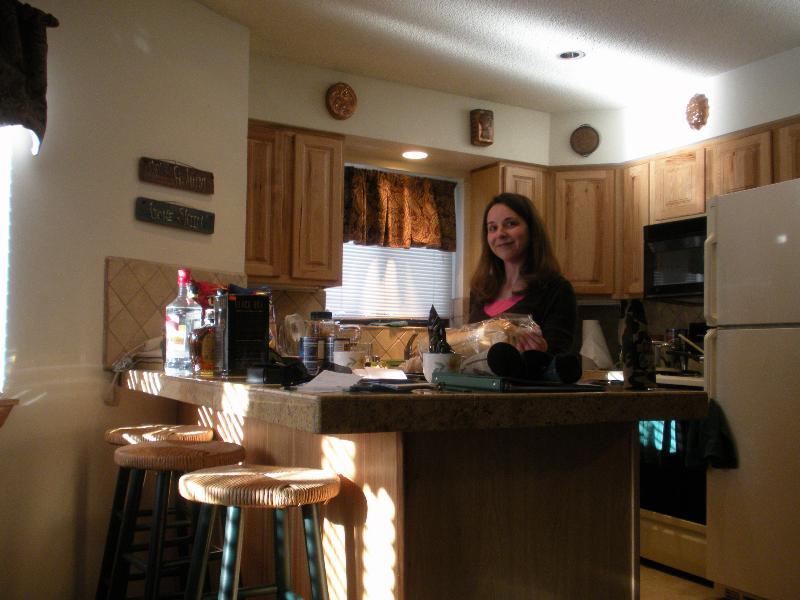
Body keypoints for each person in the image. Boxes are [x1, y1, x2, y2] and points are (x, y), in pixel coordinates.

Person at [468, 192, 577, 356]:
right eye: (493, 228)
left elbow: (559, 357)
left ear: (532, 230)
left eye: (510, 224)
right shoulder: (481, 290)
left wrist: (541, 353)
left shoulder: (557, 290)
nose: (500, 234)